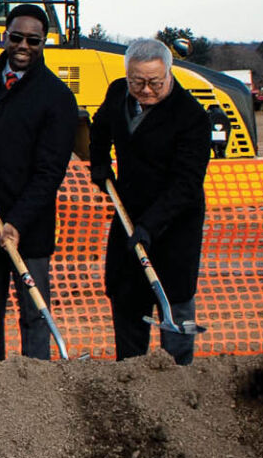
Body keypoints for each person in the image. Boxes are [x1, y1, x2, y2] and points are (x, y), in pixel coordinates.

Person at [0, 3, 77, 361]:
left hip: (28, 228)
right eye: (17, 38)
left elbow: (50, 172)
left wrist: (17, 222)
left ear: (44, 42)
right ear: (5, 37)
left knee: (33, 313)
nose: (24, 46)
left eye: (33, 41)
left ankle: (35, 385)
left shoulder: (57, 97)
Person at [88, 38, 211, 364]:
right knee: (127, 296)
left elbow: (186, 185)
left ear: (168, 75)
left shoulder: (191, 117)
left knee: (175, 301)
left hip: (174, 225)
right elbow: (99, 128)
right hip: (128, 214)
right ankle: (130, 377)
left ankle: (177, 383)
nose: (144, 90)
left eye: (154, 83)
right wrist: (99, 164)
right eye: (136, 82)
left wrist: (150, 226)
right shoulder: (118, 93)